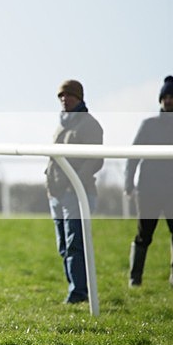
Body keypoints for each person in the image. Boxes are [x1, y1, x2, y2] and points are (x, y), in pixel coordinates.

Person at [45, 79, 104, 304]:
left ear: (79, 98)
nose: (64, 99)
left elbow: (96, 159)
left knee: (75, 244)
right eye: (61, 96)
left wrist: (73, 182)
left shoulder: (89, 125)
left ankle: (79, 293)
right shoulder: (61, 125)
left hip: (78, 194)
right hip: (57, 195)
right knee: (64, 246)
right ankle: (75, 289)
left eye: (68, 95)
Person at [124, 76, 173, 288]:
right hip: (149, 191)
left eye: (172, 97)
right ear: (160, 100)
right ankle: (135, 279)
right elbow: (133, 156)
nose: (168, 101)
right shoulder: (148, 125)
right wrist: (128, 184)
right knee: (144, 235)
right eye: (165, 97)